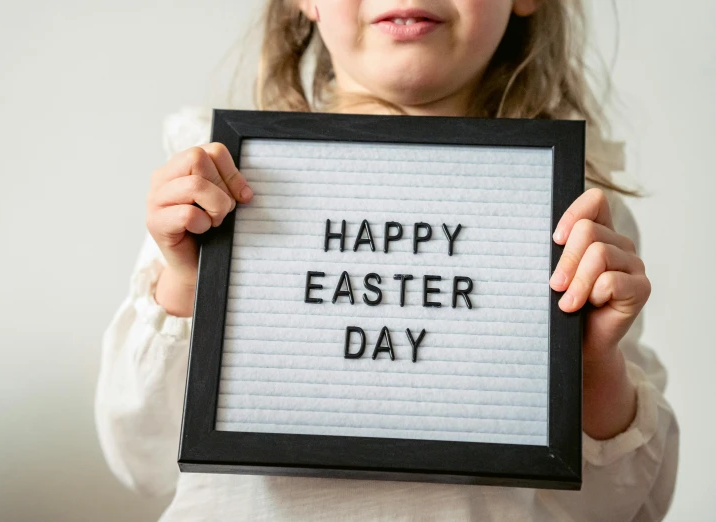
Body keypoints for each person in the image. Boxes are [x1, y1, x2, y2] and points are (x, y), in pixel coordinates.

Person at [95, 1, 679, 520]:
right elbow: (140, 459)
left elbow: (627, 508)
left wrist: (595, 361)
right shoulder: (216, 189)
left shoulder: (579, 217)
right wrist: (185, 282)